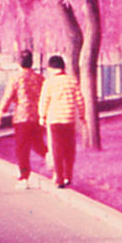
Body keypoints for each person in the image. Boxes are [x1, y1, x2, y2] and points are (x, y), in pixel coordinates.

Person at [0, 50, 46, 182]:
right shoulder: (40, 78)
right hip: (38, 116)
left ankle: (24, 176)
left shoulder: (16, 78)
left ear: (18, 63)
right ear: (32, 62)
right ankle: (53, 160)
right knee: (38, 144)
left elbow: (8, 97)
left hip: (22, 118)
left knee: (22, 149)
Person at [38, 54, 86, 188]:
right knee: (69, 149)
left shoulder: (49, 82)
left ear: (51, 69)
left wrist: (42, 116)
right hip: (69, 119)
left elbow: (44, 100)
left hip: (55, 120)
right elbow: (80, 100)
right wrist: (82, 116)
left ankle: (59, 178)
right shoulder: (72, 80)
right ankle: (68, 176)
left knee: (57, 149)